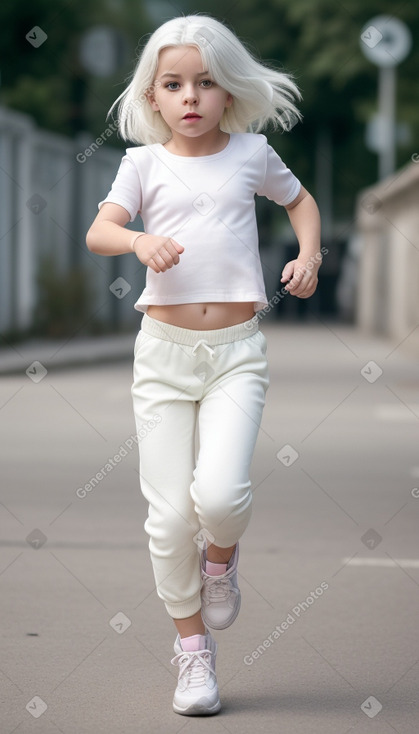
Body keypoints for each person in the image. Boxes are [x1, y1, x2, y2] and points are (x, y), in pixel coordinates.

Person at [86, 14, 321, 717]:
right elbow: (100, 231)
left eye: (206, 83)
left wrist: (308, 254)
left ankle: (220, 557)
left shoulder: (250, 153)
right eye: (173, 84)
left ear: (227, 93)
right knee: (165, 521)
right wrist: (137, 242)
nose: (190, 97)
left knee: (217, 497)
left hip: (235, 355)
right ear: (152, 97)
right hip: (162, 357)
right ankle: (191, 655)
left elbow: (300, 201)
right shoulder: (143, 163)